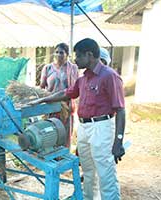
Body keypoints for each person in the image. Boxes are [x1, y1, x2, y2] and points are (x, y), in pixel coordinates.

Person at [29, 38, 125, 200]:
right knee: (87, 171)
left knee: (105, 171)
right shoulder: (84, 78)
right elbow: (66, 93)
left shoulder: (109, 76)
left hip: (101, 127)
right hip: (84, 128)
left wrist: (118, 141)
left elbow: (121, 110)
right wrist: (42, 99)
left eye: (78, 56)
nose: (75, 59)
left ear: (90, 55)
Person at [40, 43, 78, 147]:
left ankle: (63, 157)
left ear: (67, 54)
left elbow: (75, 88)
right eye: (56, 52)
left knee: (65, 133)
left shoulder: (73, 68)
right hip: (51, 106)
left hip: (66, 107)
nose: (58, 55)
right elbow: (42, 87)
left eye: (61, 52)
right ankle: (51, 156)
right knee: (50, 131)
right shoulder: (48, 68)